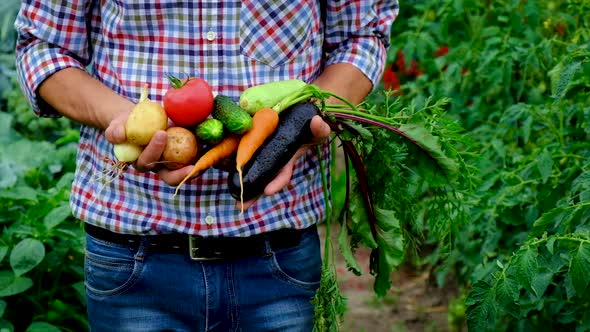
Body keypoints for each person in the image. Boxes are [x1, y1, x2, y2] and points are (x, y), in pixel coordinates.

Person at [15, 1, 398, 331]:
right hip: (133, 259)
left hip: (278, 254)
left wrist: (300, 127)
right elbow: (43, 45)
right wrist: (132, 123)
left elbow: (362, 35)